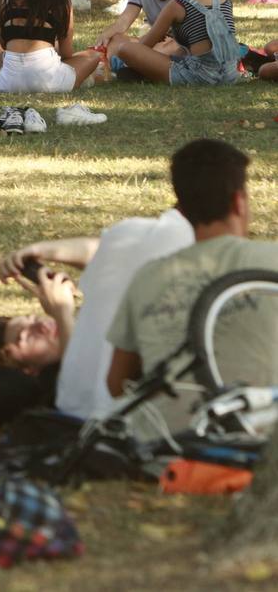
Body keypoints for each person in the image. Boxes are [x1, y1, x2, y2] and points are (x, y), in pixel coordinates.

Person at [107, 140, 278, 436]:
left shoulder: (148, 278)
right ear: (239, 202)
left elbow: (116, 384)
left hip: (169, 451)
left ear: (181, 211)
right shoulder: (271, 259)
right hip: (257, 449)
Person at [0, 208, 194, 421]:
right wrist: (62, 314)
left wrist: (39, 250)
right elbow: (81, 384)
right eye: (26, 337)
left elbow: (110, 254)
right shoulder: (52, 387)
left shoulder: (88, 325)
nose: (41, 326)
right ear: (26, 369)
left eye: (36, 318)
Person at [106, 0, 243, 86]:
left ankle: (140, 72)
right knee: (178, 51)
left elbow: (146, 45)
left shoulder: (178, 3)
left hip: (200, 75)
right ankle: (145, 73)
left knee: (126, 49)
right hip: (230, 74)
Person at [0, 0, 100, 95]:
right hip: (48, 81)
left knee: (0, 57)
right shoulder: (61, 1)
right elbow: (67, 52)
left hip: (8, 84)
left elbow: (5, 44)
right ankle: (70, 80)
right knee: (93, 56)